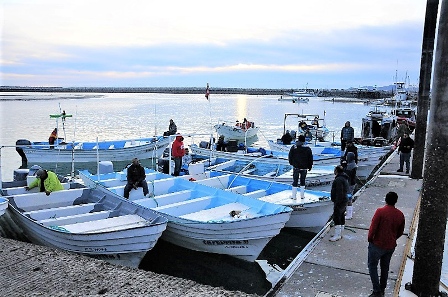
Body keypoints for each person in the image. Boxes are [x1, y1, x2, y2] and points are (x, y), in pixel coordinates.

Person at [368, 191, 405, 297]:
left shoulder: (380, 211)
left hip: (377, 244)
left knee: (372, 266)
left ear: (386, 199)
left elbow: (373, 228)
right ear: (396, 201)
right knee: (385, 267)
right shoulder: (400, 214)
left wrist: (370, 239)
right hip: (390, 245)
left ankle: (376, 290)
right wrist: (393, 238)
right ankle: (382, 288)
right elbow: (400, 231)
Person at [288, 135, 313, 199]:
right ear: (304, 140)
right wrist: (310, 166)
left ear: (298, 140)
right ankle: (302, 195)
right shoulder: (307, 148)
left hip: (296, 167)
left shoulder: (294, 147)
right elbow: (310, 158)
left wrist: (292, 163)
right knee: (303, 181)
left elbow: (290, 156)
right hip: (304, 167)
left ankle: (294, 196)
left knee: (295, 181)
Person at [329, 165, 349, 242]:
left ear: (336, 171)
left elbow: (339, 192)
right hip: (344, 199)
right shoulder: (344, 178)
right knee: (342, 215)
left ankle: (337, 235)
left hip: (340, 201)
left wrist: (337, 201)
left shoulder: (338, 180)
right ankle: (340, 233)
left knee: (337, 217)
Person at [343, 152, 357, 220]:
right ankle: (347, 212)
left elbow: (346, 174)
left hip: (350, 184)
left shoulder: (350, 166)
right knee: (348, 198)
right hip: (351, 183)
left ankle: (349, 214)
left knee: (349, 199)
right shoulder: (352, 164)